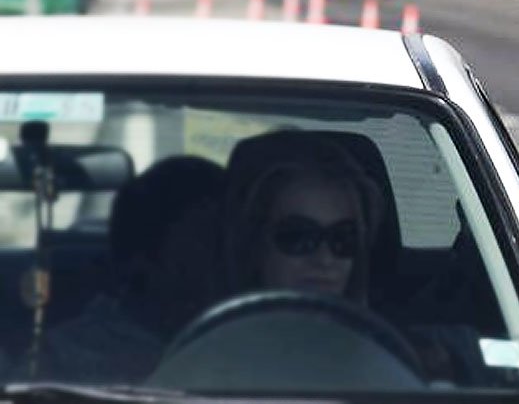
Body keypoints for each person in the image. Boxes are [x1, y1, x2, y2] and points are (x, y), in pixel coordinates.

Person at [22, 155, 227, 383]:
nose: (228, 258)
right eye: (207, 242)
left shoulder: (250, 342)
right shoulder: (63, 359)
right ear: (141, 259)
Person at [223, 131, 383, 305]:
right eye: (298, 236)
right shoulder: (212, 332)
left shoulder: (375, 332)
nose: (325, 260)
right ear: (254, 243)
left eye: (343, 239)